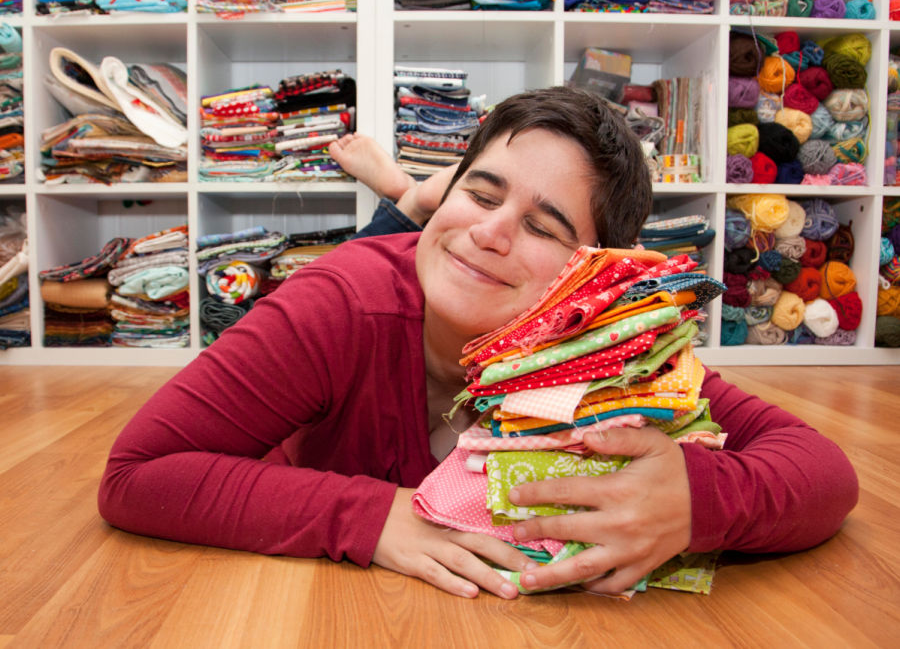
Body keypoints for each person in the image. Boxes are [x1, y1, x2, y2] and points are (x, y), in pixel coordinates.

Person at [98, 87, 858, 600]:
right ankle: (409, 198)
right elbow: (135, 474)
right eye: (483, 192)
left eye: (544, 224)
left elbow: (824, 473)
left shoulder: (612, 347)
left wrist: (698, 500)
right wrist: (365, 515)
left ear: (597, 276)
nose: (491, 232)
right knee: (398, 256)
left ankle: (409, 195)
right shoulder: (337, 304)